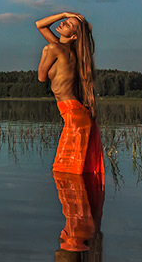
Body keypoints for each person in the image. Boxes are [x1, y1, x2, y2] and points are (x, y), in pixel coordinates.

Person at [35, 12, 104, 176]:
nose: (64, 23)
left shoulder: (55, 48)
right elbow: (40, 25)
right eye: (65, 21)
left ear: (74, 37)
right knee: (68, 173)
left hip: (74, 118)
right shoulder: (62, 48)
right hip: (75, 115)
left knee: (65, 173)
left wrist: (45, 52)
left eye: (70, 24)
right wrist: (65, 13)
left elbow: (41, 77)